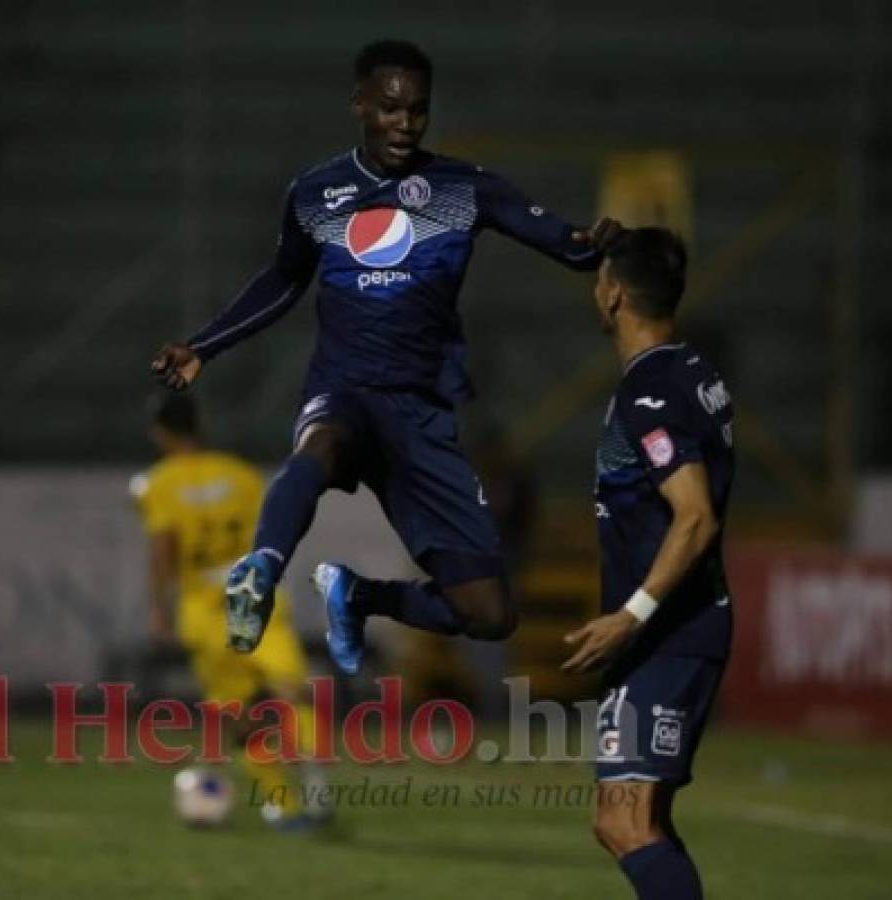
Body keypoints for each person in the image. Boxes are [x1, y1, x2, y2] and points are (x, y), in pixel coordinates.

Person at [150, 39, 621, 673]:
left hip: (421, 415)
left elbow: (565, 242)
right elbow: (283, 281)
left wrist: (595, 244)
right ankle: (259, 569)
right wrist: (203, 346)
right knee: (318, 443)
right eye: (390, 109)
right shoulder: (317, 192)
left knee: (489, 613)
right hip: (345, 388)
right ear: (360, 104)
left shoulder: (462, 187)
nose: (404, 124)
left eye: (417, 111)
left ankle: (358, 593)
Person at [560, 228, 734, 899]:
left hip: (667, 631)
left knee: (622, 822)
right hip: (682, 625)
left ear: (611, 294)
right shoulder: (695, 372)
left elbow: (693, 515)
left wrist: (629, 616)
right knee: (639, 820)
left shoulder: (649, 393)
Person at [131, 393, 324, 831]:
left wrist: (159, 609)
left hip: (204, 610)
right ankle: (314, 778)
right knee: (290, 686)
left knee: (237, 713)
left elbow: (164, 548)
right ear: (200, 424)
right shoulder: (241, 476)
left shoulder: (157, 483)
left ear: (160, 432)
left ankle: (282, 805)